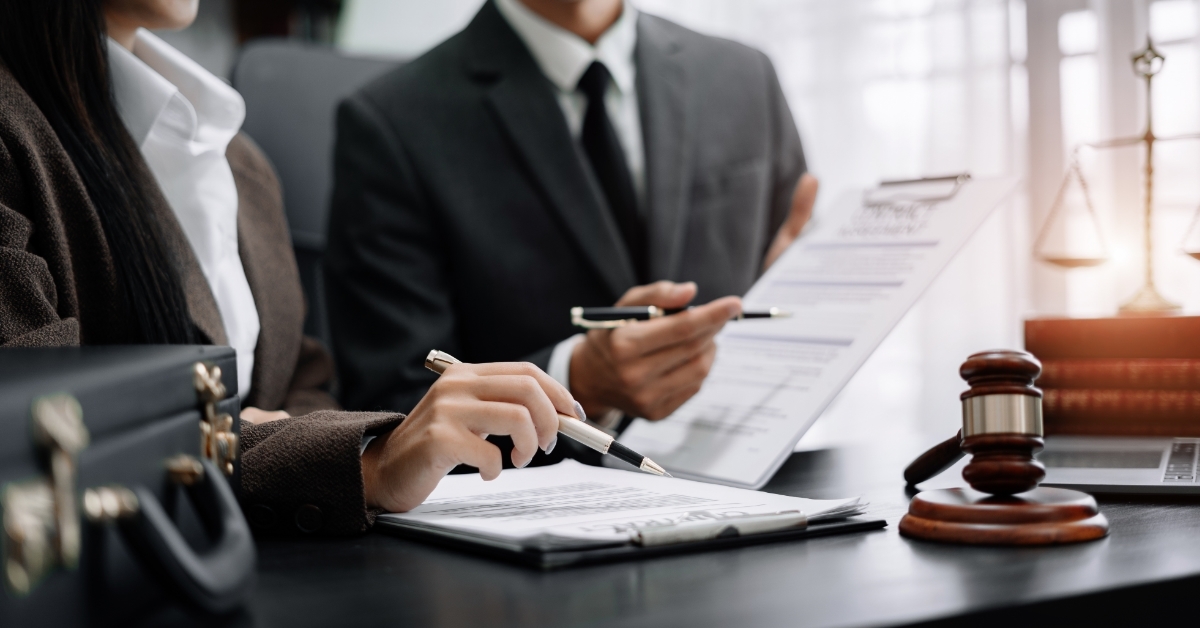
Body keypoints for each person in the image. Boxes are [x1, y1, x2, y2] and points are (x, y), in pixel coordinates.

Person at [0, 0, 576, 533]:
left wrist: (284, 442)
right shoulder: (15, 133)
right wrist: (364, 461)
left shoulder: (234, 156)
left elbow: (301, 383)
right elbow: (42, 440)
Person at [325, 0, 818, 436]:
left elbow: (795, 287)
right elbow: (392, 404)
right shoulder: (392, 122)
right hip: (525, 508)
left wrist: (809, 299)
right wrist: (576, 381)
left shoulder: (745, 76)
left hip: (744, 480)